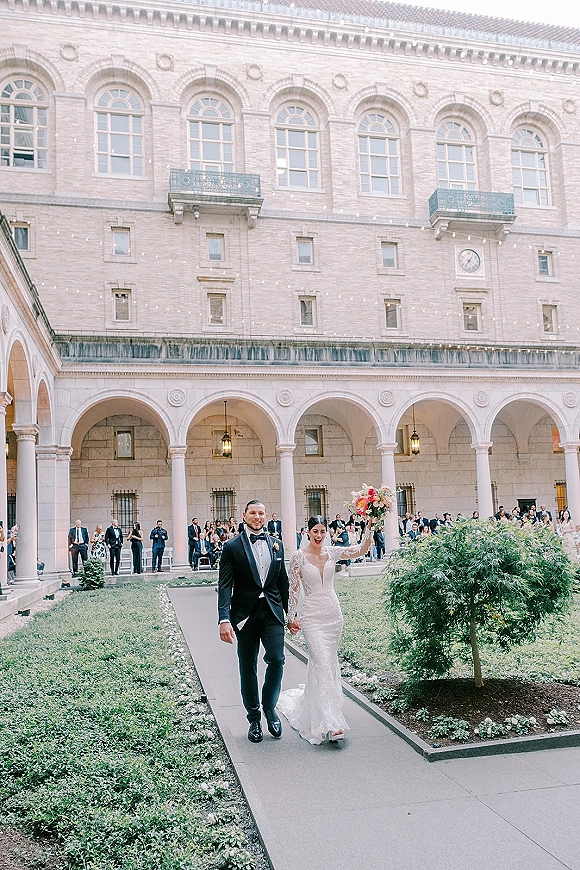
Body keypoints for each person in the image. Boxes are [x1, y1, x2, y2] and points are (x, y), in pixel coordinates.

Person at [278, 515, 372, 745]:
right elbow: (293, 590)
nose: (319, 536)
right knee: (320, 660)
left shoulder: (333, 552)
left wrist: (370, 525)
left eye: (322, 531)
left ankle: (320, 708)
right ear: (308, 532)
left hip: (333, 615)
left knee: (326, 663)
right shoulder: (298, 557)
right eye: (315, 532)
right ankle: (332, 722)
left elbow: (361, 549)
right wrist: (291, 618)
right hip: (311, 616)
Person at [218, 499, 289, 744]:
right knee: (247, 666)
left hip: (272, 612)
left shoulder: (277, 545)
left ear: (266, 516)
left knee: (277, 659)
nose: (257, 517)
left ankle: (270, 707)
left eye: (261, 513)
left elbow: (283, 583)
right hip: (244, 616)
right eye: (253, 513)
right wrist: (224, 619)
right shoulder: (231, 547)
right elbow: (225, 585)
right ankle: (254, 718)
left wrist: (289, 615)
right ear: (244, 515)